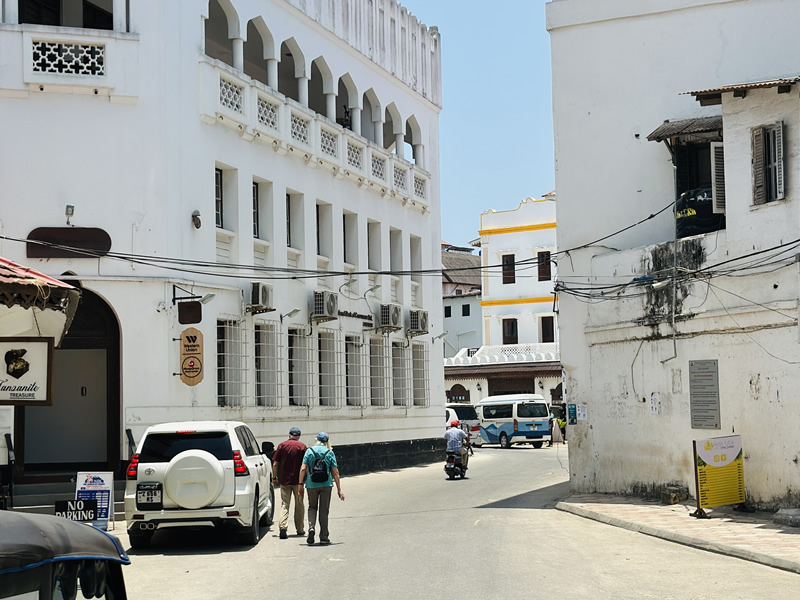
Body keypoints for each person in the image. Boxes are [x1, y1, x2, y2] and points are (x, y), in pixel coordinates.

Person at [298, 432, 344, 545]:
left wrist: (300, 484)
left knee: (312, 507)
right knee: (324, 510)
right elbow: (335, 472)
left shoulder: (309, 451)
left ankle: (311, 528)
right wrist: (339, 489)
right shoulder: (329, 452)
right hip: (326, 484)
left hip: (311, 484)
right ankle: (324, 536)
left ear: (316, 440)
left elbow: (303, 468)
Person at [272, 426, 307, 539]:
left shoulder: (282, 445)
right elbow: (305, 465)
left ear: (289, 435)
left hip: (284, 480)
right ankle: (300, 529)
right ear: (299, 436)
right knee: (299, 504)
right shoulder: (302, 447)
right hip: (298, 481)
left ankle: (283, 527)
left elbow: (275, 464)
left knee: (284, 504)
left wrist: (274, 477)